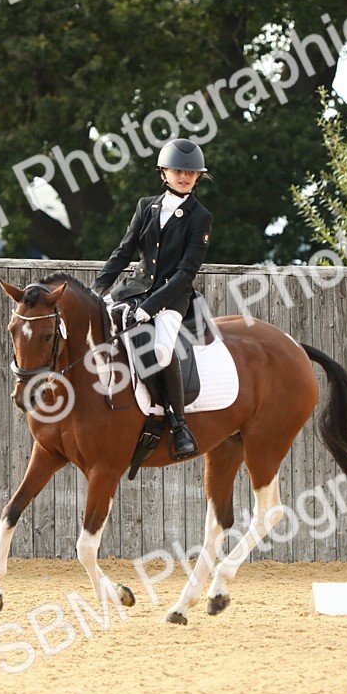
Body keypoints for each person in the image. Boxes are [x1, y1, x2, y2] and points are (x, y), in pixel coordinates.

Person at [92, 137, 213, 461]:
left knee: (160, 350)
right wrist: (98, 288)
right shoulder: (146, 206)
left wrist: (149, 308)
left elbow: (186, 273)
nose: (184, 177)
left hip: (172, 299)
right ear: (164, 172)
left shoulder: (200, 217)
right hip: (132, 289)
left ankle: (178, 424)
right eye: (178, 171)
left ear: (198, 177)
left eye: (190, 173)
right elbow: (124, 251)